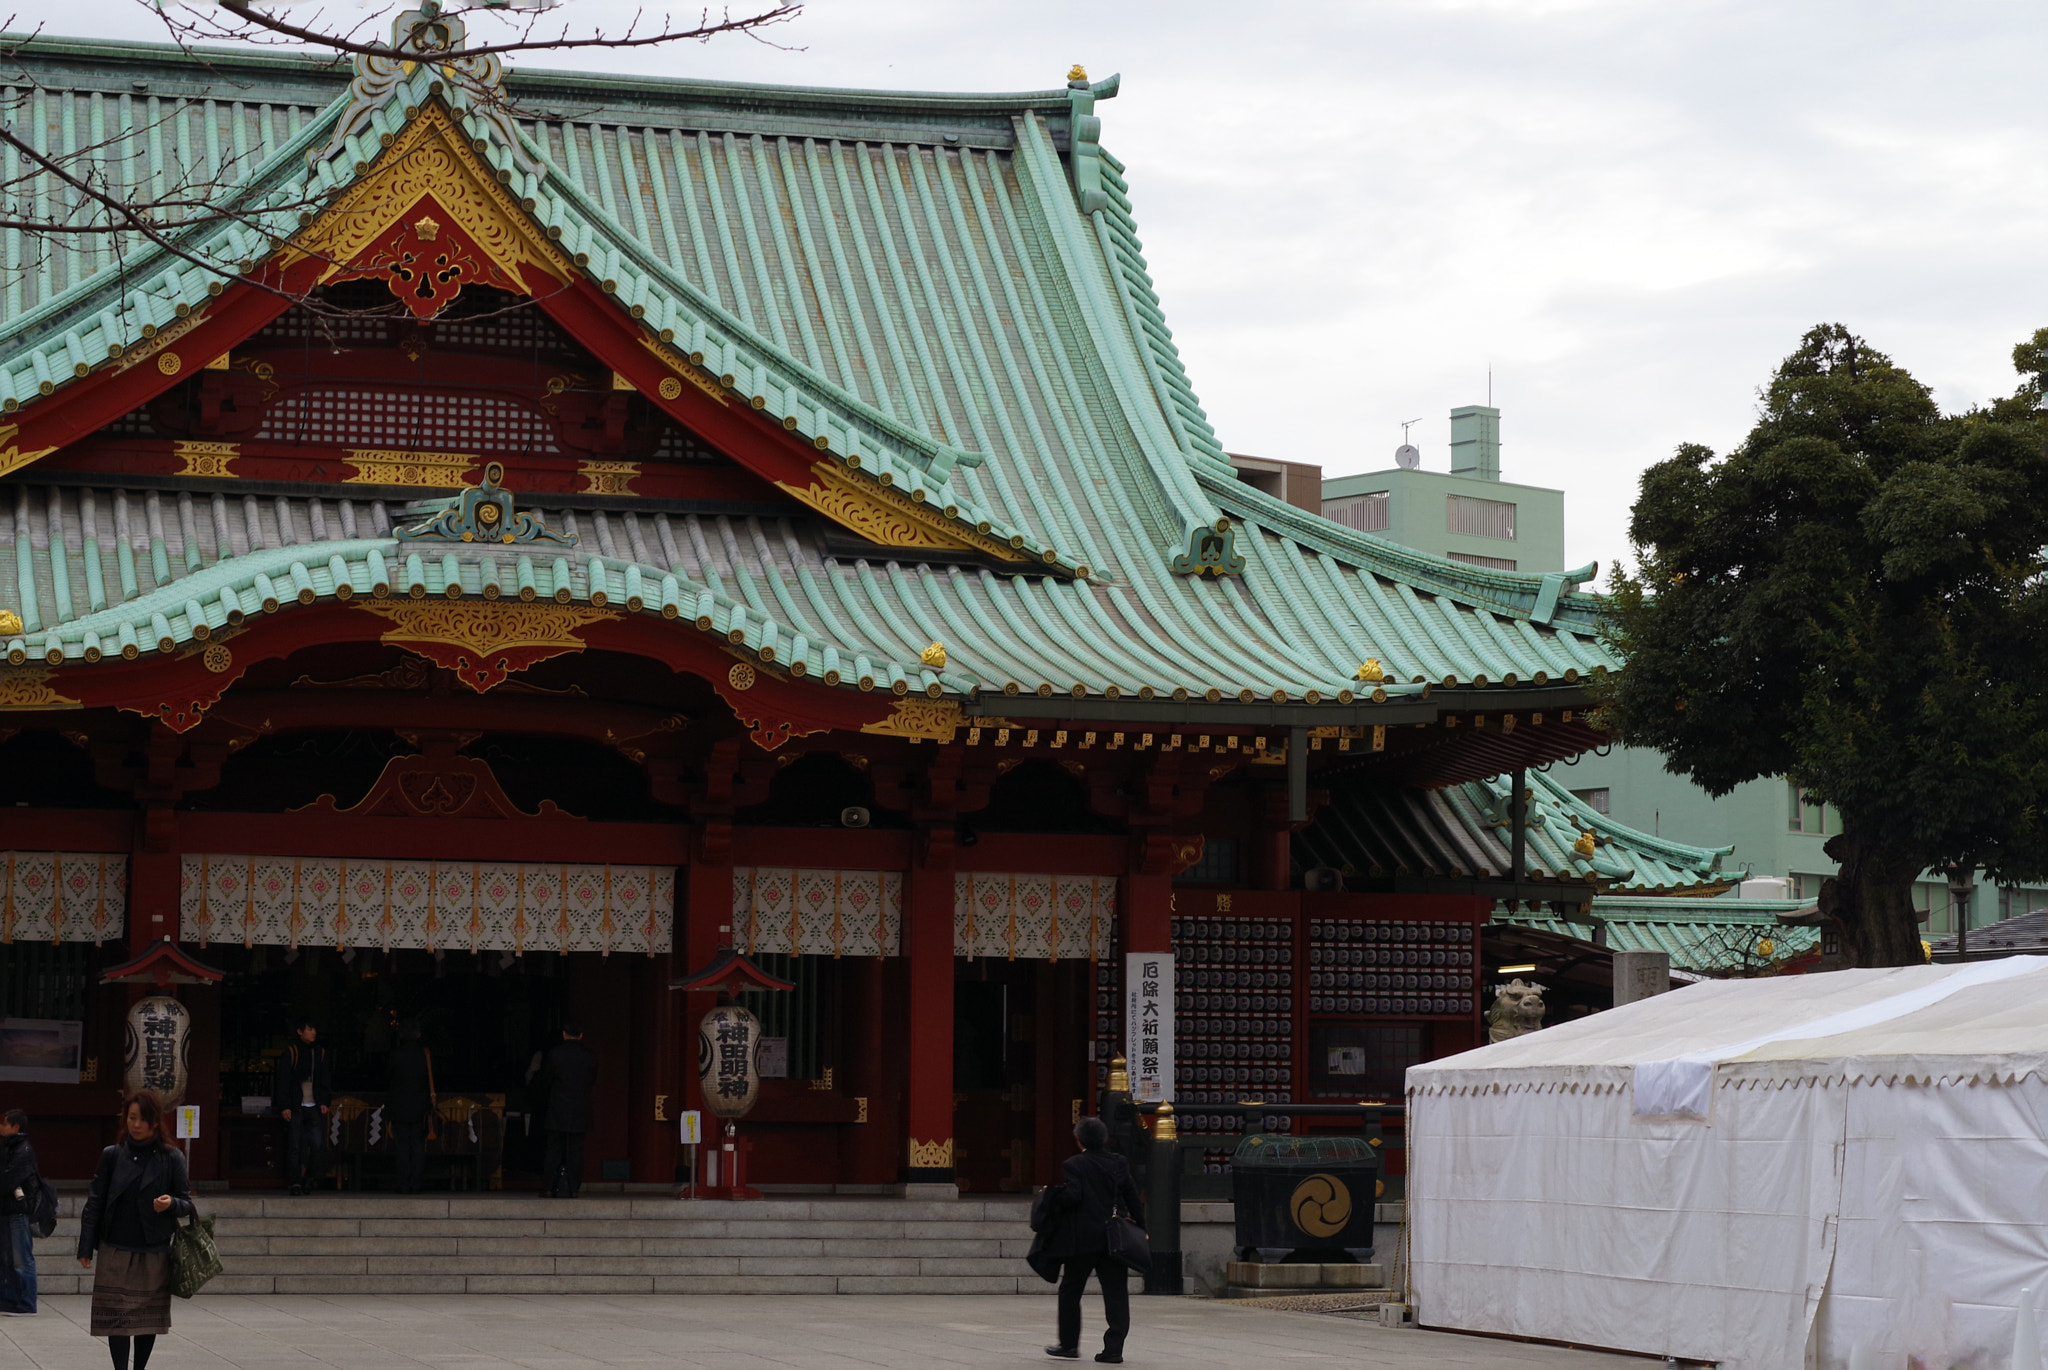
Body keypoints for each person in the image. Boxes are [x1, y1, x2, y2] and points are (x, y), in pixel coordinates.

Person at [77, 1092, 192, 1370]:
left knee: (145, 1319)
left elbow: (186, 1202)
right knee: (116, 1317)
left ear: (155, 1122)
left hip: (153, 1249)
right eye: (131, 1118)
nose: (136, 1124)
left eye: (142, 1119)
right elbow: (96, 1201)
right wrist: (86, 1245)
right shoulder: (112, 1155)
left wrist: (171, 1204)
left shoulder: (172, 1157)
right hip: (115, 1246)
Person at [1041, 1116, 1143, 1364]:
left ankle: (1068, 1345)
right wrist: (1142, 1227)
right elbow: (1132, 1196)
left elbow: (1073, 1197)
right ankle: (1114, 1349)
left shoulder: (1074, 1165)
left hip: (1083, 1239)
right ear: (1104, 1138)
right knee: (1116, 1293)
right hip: (1114, 1238)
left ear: (1079, 1140)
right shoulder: (1118, 1163)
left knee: (1071, 1290)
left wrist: (1051, 1195)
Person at [270, 1017, 333, 1196]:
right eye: (309, 1029)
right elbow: (282, 1081)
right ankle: (295, 1181)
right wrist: (284, 1106)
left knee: (317, 1145)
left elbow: (325, 1080)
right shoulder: (291, 1052)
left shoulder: (320, 1052)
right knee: (295, 1146)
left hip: (314, 1105)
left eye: (314, 1029)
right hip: (296, 1105)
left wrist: (325, 1102)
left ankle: (310, 1178)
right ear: (300, 1031)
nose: (313, 1033)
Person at [536, 1021, 597, 1199]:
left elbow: (545, 1080)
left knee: (553, 1150)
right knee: (575, 1151)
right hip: (580, 1108)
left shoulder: (554, 1054)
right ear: (581, 1035)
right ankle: (573, 1188)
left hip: (557, 1107)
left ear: (563, 1034)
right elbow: (592, 1080)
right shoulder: (589, 1056)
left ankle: (548, 1187)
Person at [386, 1021, 434, 1195]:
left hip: (399, 1106)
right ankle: (416, 1182)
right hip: (419, 1107)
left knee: (402, 1147)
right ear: (418, 1035)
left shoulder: (395, 1055)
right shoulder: (424, 1055)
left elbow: (389, 1081)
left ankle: (403, 1183)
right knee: (417, 1146)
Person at [0, 1108, 40, 1315]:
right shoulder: (8, 1148)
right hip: (6, 1210)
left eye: (5, 1124)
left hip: (17, 1210)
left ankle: (26, 1302)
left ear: (16, 1127)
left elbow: (8, 1180)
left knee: (21, 1259)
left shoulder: (22, 1149)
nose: (1, 1127)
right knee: (6, 1259)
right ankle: (9, 1300)